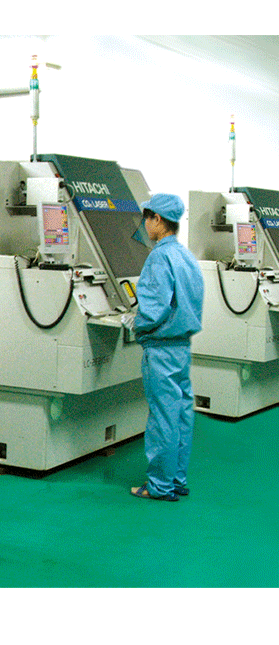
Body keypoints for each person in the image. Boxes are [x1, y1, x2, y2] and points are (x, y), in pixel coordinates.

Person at [130, 193, 203, 501]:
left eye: (146, 218)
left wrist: (135, 324)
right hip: (181, 348)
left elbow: (153, 309)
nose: (145, 225)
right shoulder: (186, 256)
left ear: (157, 219)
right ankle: (176, 479)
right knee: (181, 414)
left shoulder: (159, 257)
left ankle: (159, 486)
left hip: (160, 350)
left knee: (163, 417)